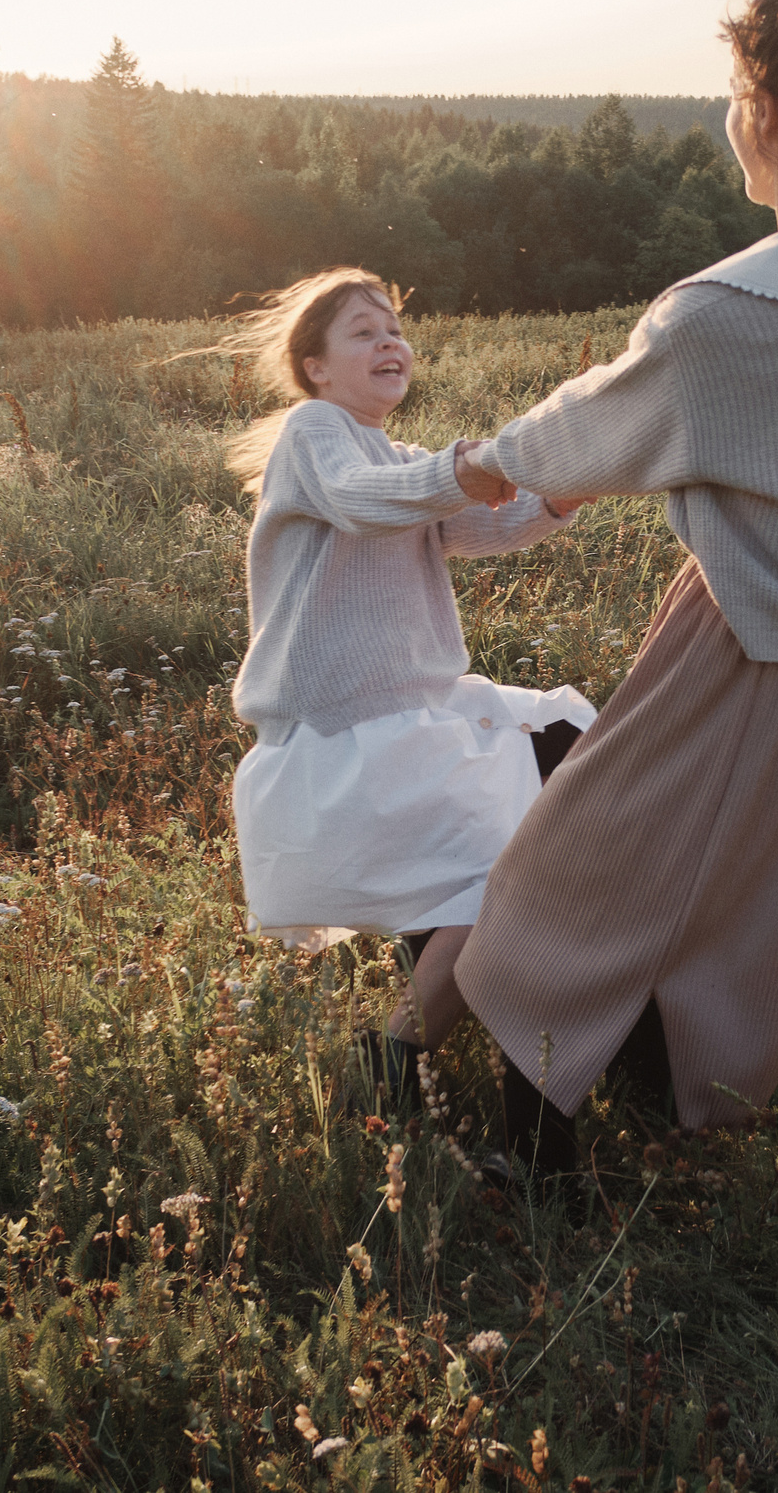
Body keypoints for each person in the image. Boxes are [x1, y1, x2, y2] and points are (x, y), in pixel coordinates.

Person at [452, 0, 778, 1173]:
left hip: (738, 638)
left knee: (577, 867)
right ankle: (669, 1086)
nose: (730, 111)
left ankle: (532, 1158)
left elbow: (589, 423)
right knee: (747, 896)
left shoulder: (721, 313)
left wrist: (478, 465)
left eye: (736, 90)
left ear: (766, 113)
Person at [223, 267, 595, 1097]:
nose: (390, 341)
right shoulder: (314, 433)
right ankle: (399, 1054)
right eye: (363, 331)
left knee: (513, 866)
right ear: (315, 366)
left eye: (394, 329)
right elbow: (366, 500)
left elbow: (484, 521)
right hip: (351, 742)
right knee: (506, 883)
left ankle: (396, 1054)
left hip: (415, 722)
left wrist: (577, 483)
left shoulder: (393, 455)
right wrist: (467, 464)